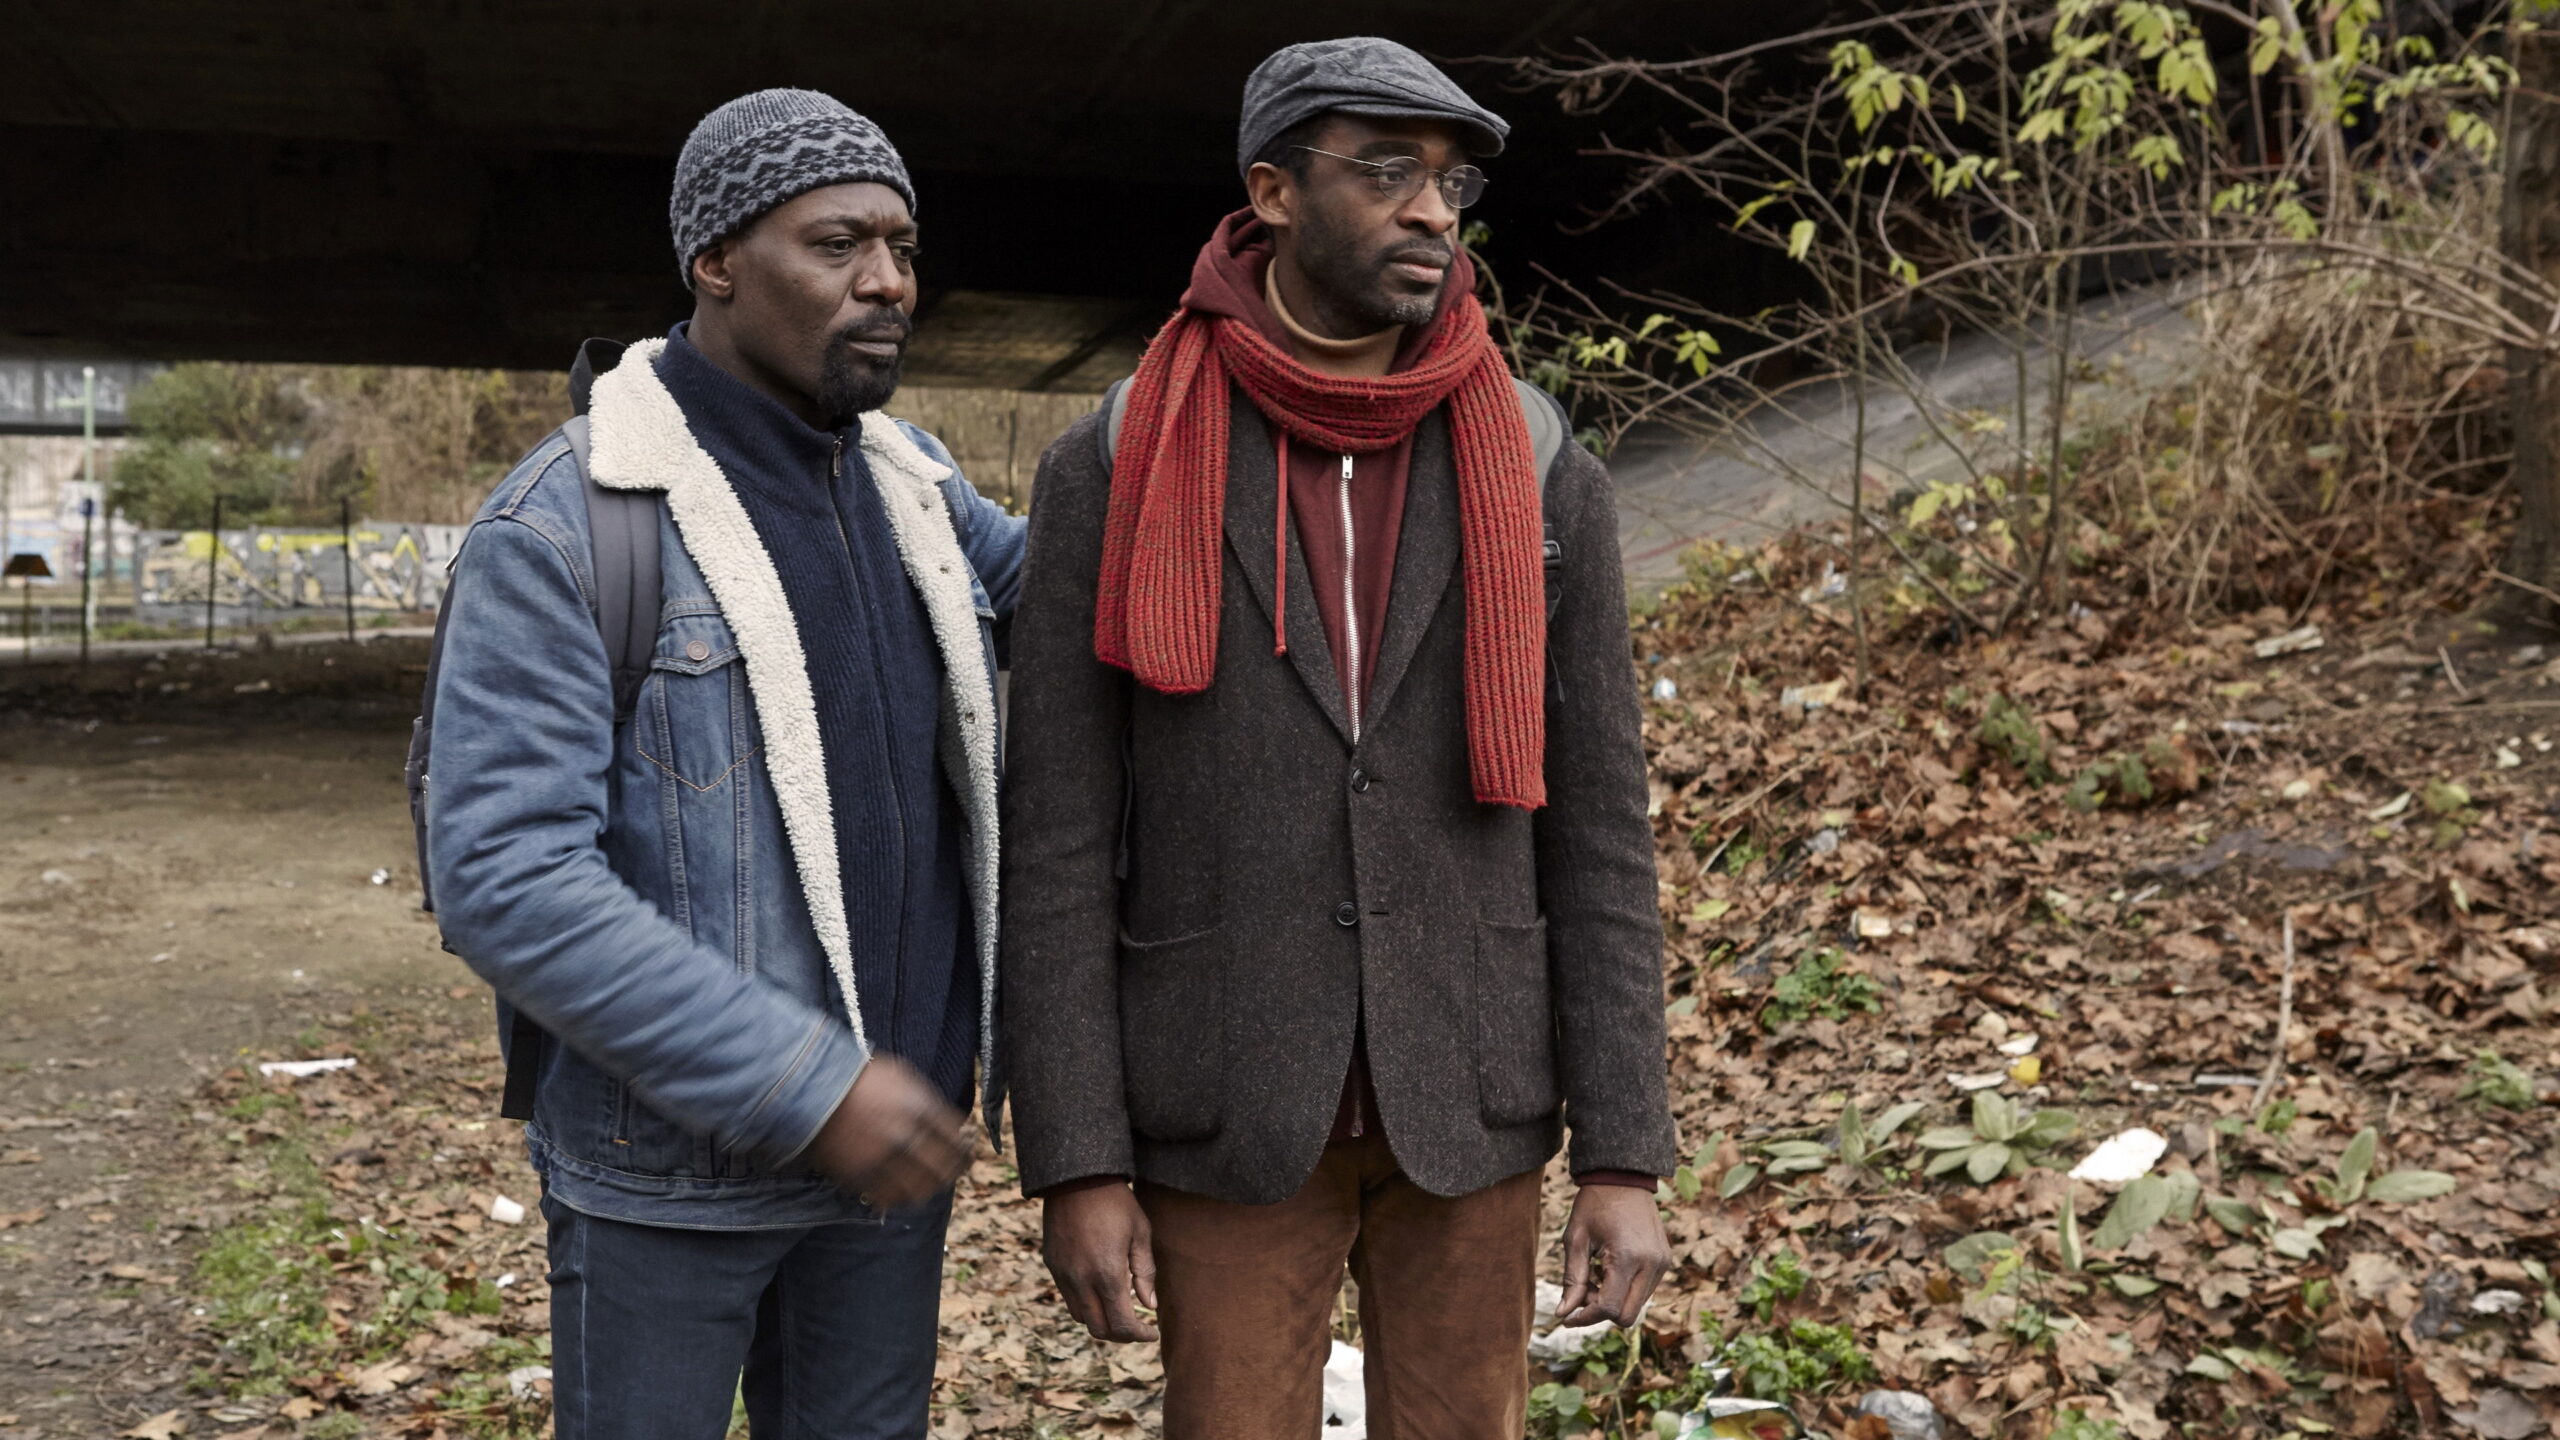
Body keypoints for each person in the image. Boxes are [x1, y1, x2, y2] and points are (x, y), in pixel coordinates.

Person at [1001, 37, 1678, 1440]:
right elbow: (1056, 835)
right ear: (1273, 193)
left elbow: (1601, 830)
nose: (1432, 208)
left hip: (1472, 1096)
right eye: (1385, 171)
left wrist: (1625, 1151)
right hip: (1223, 1097)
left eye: (1451, 181)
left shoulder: (1538, 464)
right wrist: (1077, 1158)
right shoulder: (1120, 459)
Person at [425, 88, 1023, 1440]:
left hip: (888, 1166)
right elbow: (505, 878)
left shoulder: (911, 483)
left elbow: (1091, 592)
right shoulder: (569, 523)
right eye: (838, 244)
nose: (889, 281)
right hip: (673, 1180)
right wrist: (810, 1087)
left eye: (903, 247)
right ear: (715, 262)